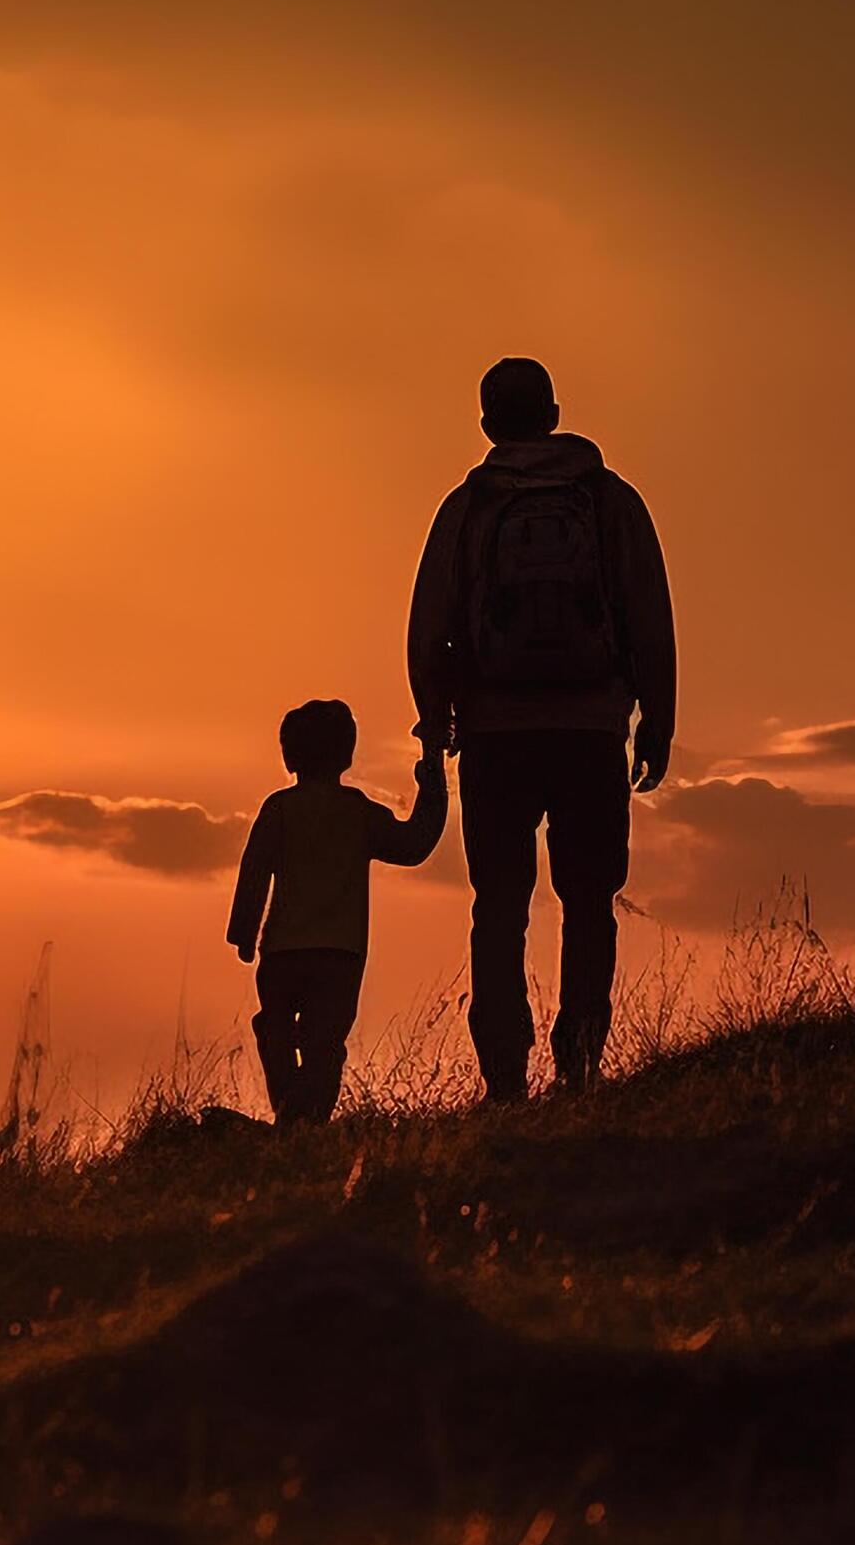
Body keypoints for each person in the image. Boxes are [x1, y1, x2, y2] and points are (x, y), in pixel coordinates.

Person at [407, 357, 677, 1103]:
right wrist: (657, 718)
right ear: (555, 414)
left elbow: (430, 623)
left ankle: (504, 1078)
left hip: (494, 733)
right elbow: (649, 614)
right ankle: (581, 1063)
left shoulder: (469, 506)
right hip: (592, 728)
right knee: (588, 900)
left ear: (489, 423)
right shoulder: (611, 500)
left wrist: (435, 725)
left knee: (499, 904)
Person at [226, 698, 446, 1126]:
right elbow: (414, 844)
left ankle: (293, 1115)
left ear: (288, 756)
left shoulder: (280, 808)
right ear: (347, 754)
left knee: (274, 1028)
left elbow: (254, 871)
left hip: (283, 952)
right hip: (339, 956)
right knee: (324, 1043)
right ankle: (302, 1119)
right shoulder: (357, 811)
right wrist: (433, 781)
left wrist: (244, 934)